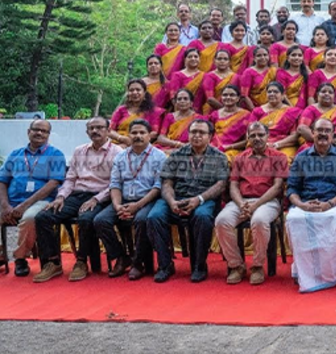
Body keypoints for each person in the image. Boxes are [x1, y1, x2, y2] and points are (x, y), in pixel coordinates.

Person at [32, 117, 122, 282]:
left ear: (108, 130)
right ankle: (52, 262)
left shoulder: (118, 153)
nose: (95, 131)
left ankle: (81, 261)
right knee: (43, 217)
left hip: (101, 196)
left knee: (86, 219)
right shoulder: (79, 150)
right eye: (91, 128)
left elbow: (116, 184)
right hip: (76, 194)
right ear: (87, 132)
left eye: (99, 128)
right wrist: (60, 197)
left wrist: (96, 199)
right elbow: (71, 179)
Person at [0, 121, 65, 277]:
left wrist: (25, 205)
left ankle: (20, 258)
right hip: (11, 201)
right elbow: (1, 181)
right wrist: (4, 206)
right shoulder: (16, 154)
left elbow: (53, 183)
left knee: (29, 219)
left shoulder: (56, 155)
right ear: (29, 131)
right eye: (36, 129)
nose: (39, 133)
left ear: (49, 135)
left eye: (44, 131)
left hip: (39, 202)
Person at [146, 119, 229, 283]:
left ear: (210, 136)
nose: (197, 136)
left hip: (204, 198)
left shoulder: (219, 157)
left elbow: (221, 185)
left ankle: (199, 266)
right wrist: (171, 201)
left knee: (203, 217)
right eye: (193, 132)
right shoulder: (176, 155)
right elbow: (167, 183)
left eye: (202, 133)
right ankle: (165, 265)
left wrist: (198, 199)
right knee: (154, 217)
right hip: (176, 197)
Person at [285, 118, 336, 292]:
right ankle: (303, 272)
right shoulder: (301, 158)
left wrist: (329, 204)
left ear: (333, 135)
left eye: (327, 131)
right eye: (319, 130)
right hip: (305, 203)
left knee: (333, 219)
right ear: (312, 133)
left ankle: (330, 273)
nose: (323, 134)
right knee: (294, 219)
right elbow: (292, 188)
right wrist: (301, 205)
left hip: (332, 203)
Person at [215, 122, 288, 285]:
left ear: (268, 137)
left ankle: (257, 265)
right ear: (247, 138)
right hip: (242, 200)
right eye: (253, 135)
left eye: (260, 135)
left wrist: (255, 206)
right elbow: (233, 185)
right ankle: (236, 265)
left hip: (268, 201)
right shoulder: (240, 158)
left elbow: (277, 187)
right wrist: (241, 204)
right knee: (222, 221)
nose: (257, 138)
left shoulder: (279, 157)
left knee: (260, 221)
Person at [93, 118, 167, 280]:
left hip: (147, 200)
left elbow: (158, 187)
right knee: (100, 220)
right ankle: (121, 256)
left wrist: (137, 205)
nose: (138, 136)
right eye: (134, 133)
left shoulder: (159, 156)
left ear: (149, 136)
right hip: (124, 200)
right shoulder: (121, 156)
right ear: (128, 135)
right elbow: (115, 184)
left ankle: (138, 263)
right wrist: (118, 205)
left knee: (141, 220)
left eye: (142, 133)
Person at [298, 82, 336, 155]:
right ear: (317, 95)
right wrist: (322, 140)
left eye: (330, 92)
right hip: (314, 143)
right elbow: (302, 128)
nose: (327, 94)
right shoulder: (311, 109)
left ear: (334, 96)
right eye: (323, 91)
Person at [251, 82, 303, 161]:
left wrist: (277, 144)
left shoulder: (291, 112)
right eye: (269, 92)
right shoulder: (257, 111)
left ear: (282, 96)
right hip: (260, 144)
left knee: (285, 160)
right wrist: (264, 144)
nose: (272, 94)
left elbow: (294, 135)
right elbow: (250, 132)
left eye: (275, 92)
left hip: (284, 145)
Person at [109, 79, 164, 147]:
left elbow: (154, 133)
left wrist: (134, 141)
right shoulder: (121, 110)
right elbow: (110, 130)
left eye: (138, 90)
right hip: (118, 143)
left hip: (142, 144)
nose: (134, 92)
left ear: (144, 93)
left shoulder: (153, 111)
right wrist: (122, 138)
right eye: (131, 90)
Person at [208, 85, 251, 162]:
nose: (228, 97)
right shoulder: (214, 115)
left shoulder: (246, 115)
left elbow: (248, 140)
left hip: (233, 150)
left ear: (238, 98)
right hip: (213, 148)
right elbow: (208, 135)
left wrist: (228, 147)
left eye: (232, 95)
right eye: (225, 95)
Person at [167, 47, 207, 112]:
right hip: (181, 112)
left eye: (196, 56)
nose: (193, 59)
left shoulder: (205, 76)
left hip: (198, 111)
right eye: (190, 57)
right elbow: (173, 97)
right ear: (185, 59)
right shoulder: (177, 75)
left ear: (199, 59)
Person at [201, 49, 239, 114]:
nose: (222, 61)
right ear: (214, 61)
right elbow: (210, 99)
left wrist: (232, 111)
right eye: (219, 59)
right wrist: (225, 111)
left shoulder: (236, 77)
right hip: (213, 111)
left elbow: (239, 97)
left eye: (225, 59)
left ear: (229, 62)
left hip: (233, 112)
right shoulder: (209, 76)